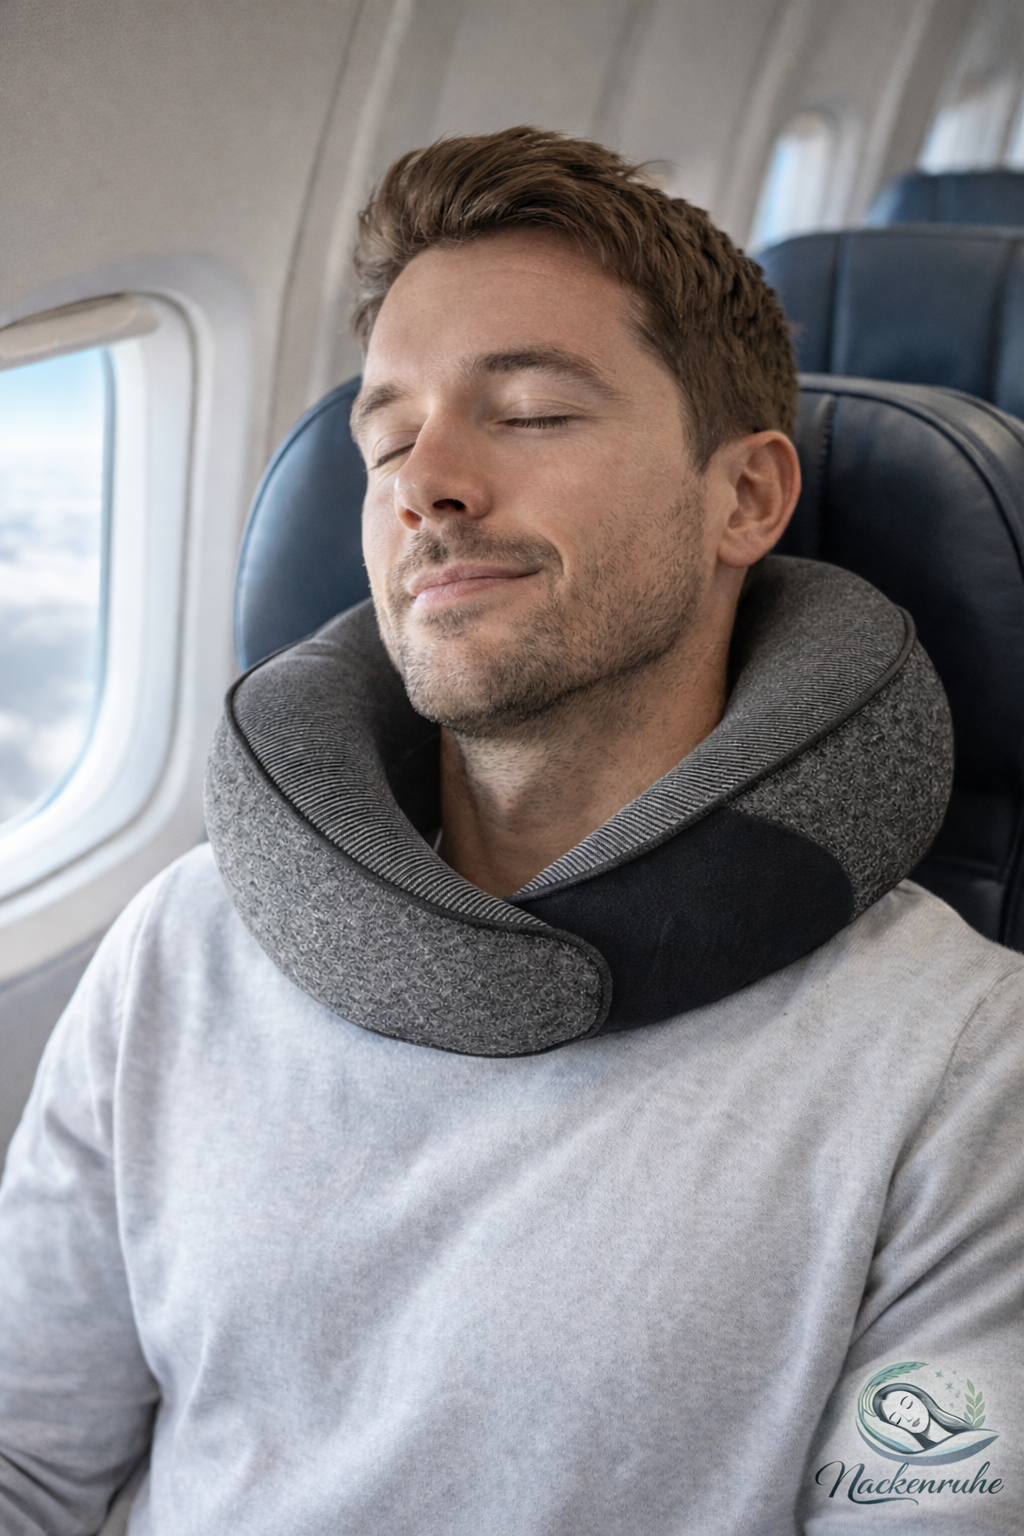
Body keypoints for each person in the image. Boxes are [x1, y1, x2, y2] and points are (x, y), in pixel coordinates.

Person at [0, 126, 1020, 1535]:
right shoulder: (185, 943)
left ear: (745, 497)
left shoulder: (962, 1063)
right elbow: (24, 1464)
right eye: (385, 439)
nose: (425, 483)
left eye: (531, 412)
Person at [872, 1385, 973, 1449]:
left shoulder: (966, 1431)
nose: (909, 1418)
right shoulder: (923, 1454)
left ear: (921, 1398)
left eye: (908, 1404)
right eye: (897, 1420)